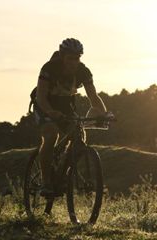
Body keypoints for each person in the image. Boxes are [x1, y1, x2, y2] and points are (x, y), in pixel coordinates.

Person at [34, 38, 107, 196]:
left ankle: (63, 174)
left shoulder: (83, 71)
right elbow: (40, 97)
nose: (74, 62)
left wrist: (103, 113)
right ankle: (46, 182)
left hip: (65, 105)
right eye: (70, 58)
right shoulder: (49, 68)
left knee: (80, 137)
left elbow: (93, 96)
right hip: (44, 104)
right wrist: (51, 112)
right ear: (62, 56)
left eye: (77, 58)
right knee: (51, 134)